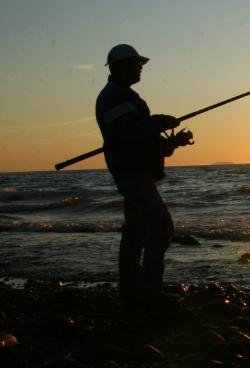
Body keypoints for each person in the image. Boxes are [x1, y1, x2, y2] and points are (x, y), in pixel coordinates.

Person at [95, 44, 192, 312]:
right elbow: (126, 131)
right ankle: (150, 293)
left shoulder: (123, 95)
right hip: (131, 174)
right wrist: (160, 121)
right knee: (161, 228)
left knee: (135, 233)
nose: (140, 67)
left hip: (137, 171)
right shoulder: (113, 96)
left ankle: (133, 293)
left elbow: (141, 140)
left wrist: (174, 142)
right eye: (136, 63)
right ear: (121, 66)